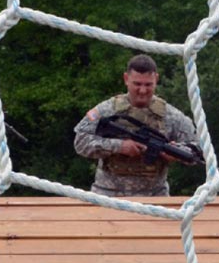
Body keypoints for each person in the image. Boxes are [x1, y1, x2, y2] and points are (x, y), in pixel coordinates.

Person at [74, 54, 199, 196]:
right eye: (137, 84)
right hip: (107, 195)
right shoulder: (106, 110)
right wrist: (119, 146)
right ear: (126, 79)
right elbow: (80, 142)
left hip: (154, 197)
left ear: (156, 79)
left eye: (148, 84)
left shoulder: (172, 116)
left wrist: (177, 153)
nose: (143, 90)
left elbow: (198, 150)